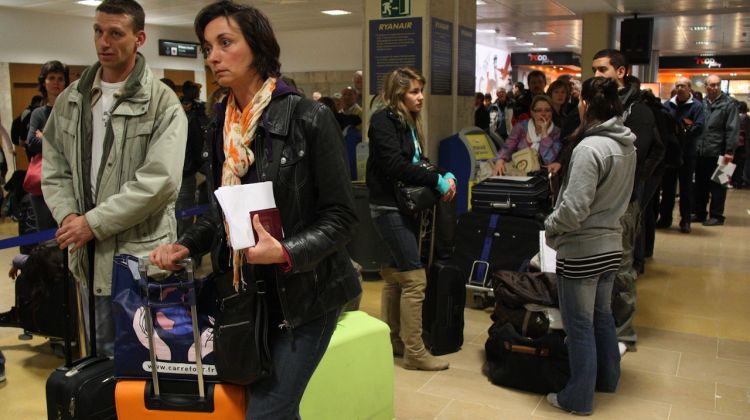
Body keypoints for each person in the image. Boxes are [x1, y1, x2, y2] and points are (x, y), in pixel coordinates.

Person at [148, 2, 361, 418]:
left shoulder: (309, 118)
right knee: (271, 408)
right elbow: (219, 212)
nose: (212, 56)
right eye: (207, 46)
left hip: (308, 296)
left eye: (225, 42)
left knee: (267, 412)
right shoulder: (220, 126)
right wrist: (185, 245)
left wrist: (285, 251)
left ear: (258, 47)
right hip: (245, 295)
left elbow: (342, 217)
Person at [41, 0, 187, 356]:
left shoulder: (162, 103)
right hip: (87, 259)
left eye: (115, 33)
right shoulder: (72, 99)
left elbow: (160, 182)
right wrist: (69, 216)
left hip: (140, 262)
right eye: (98, 31)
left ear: (139, 38)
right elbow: (55, 165)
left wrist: (93, 223)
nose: (104, 42)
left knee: (144, 368)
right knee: (100, 364)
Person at [544, 77, 637, 416]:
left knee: (579, 324)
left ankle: (578, 398)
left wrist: (550, 227)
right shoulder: (626, 144)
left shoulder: (589, 148)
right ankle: (608, 379)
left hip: (583, 249)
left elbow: (573, 209)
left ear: (584, 104)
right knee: (602, 317)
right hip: (612, 243)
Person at [367, 67, 455, 372]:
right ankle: (415, 352)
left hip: (400, 207)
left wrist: (440, 174)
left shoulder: (408, 122)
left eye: (421, 91)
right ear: (397, 93)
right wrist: (436, 179)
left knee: (396, 274)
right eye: (414, 91)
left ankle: (393, 339)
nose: (420, 97)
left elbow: (416, 162)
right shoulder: (383, 120)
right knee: (415, 279)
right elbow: (394, 164)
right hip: (387, 207)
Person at [590, 48, 664, 349]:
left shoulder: (639, 111)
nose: (596, 75)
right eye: (594, 70)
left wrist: (633, 186)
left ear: (620, 72)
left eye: (603, 70)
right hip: (596, 200)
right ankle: (602, 327)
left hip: (623, 202)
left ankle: (622, 334)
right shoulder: (598, 105)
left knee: (620, 267)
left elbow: (644, 154)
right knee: (597, 266)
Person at [27, 60, 69, 231]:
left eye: (60, 78)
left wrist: (45, 137)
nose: (56, 82)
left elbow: (74, 145)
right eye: (51, 78)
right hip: (43, 181)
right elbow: (32, 143)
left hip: (68, 179)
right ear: (44, 82)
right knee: (45, 234)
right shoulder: (38, 113)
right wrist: (59, 141)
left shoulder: (71, 110)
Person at [658, 77, 704, 233]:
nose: (680, 88)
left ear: (689, 88)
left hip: (687, 153)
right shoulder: (667, 105)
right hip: (670, 154)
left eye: (683, 86)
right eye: (677, 86)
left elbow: (698, 127)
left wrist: (681, 134)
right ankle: (665, 218)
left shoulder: (697, 107)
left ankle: (685, 221)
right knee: (668, 188)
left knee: (686, 189)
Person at [692, 74, 739, 226]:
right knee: (700, 184)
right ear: (705, 86)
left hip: (722, 152)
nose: (714, 87)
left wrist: (730, 151)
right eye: (711, 85)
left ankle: (717, 215)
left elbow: (732, 129)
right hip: (702, 151)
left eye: (717, 84)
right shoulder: (701, 103)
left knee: (720, 184)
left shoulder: (729, 104)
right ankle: (700, 212)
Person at [492, 95, 561, 176]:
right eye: (538, 110)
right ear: (532, 112)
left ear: (552, 112)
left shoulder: (556, 132)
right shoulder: (521, 127)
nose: (543, 114)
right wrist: (500, 160)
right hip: (519, 172)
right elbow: (508, 146)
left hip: (542, 176)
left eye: (547, 110)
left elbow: (549, 160)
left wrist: (545, 134)